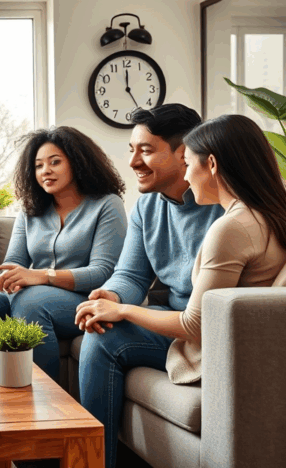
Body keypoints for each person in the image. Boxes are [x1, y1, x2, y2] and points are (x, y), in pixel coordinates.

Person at [71, 104, 228, 468]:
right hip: (172, 319)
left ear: (184, 152)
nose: (133, 162)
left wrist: (121, 309)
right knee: (101, 328)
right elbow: (132, 275)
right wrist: (109, 296)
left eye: (145, 150)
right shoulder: (146, 207)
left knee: (102, 339)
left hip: (205, 327)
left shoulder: (225, 203)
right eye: (132, 150)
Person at [0, 127, 128, 383]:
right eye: (39, 165)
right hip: (31, 294)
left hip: (84, 299)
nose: (46, 171)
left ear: (78, 163)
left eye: (55, 162)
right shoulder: (30, 210)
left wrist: (41, 276)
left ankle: (45, 402)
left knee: (32, 300)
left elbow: (102, 272)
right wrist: (10, 277)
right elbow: (16, 263)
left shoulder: (107, 204)